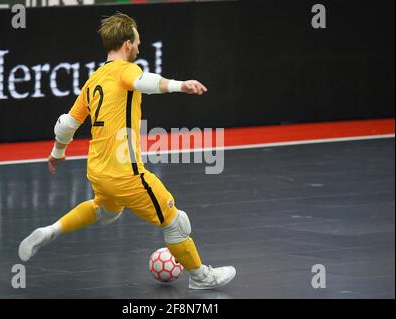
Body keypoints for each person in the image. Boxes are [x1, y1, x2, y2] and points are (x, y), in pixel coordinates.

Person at [18, 12, 236, 290]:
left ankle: (51, 230)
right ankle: (200, 276)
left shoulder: (94, 80)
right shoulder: (126, 70)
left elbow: (66, 124)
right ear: (127, 44)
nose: (139, 46)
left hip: (97, 171)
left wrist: (57, 151)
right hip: (126, 174)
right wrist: (182, 85)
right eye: (137, 41)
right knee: (176, 222)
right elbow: (146, 82)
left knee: (107, 211)